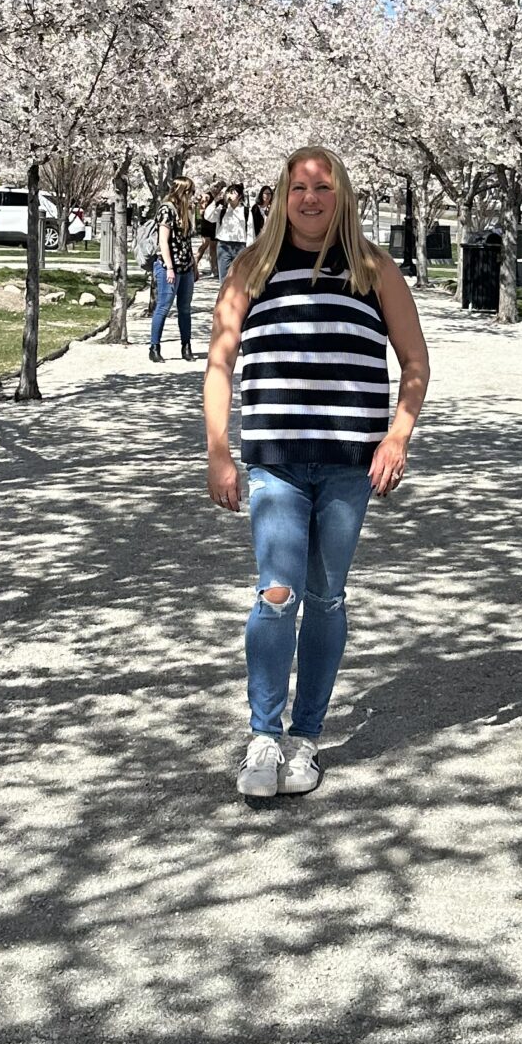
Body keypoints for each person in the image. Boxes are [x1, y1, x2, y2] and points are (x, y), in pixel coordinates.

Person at [203, 144, 429, 801]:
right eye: (298, 187)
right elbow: (219, 363)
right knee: (277, 595)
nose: (310, 198)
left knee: (326, 597)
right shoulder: (252, 267)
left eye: (323, 187)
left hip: (348, 468)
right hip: (275, 463)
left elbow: (415, 362)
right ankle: (263, 735)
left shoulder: (373, 269)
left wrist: (397, 436)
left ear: (342, 195)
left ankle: (305, 736)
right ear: (281, 196)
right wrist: (218, 449)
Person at [148, 178, 197, 362]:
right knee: (163, 306)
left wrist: (194, 264)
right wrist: (169, 267)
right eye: (190, 192)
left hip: (186, 266)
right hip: (169, 266)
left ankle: (186, 346)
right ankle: (154, 347)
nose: (192, 196)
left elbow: (187, 241)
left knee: (185, 308)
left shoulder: (185, 210)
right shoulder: (166, 209)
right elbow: (163, 241)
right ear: (182, 191)